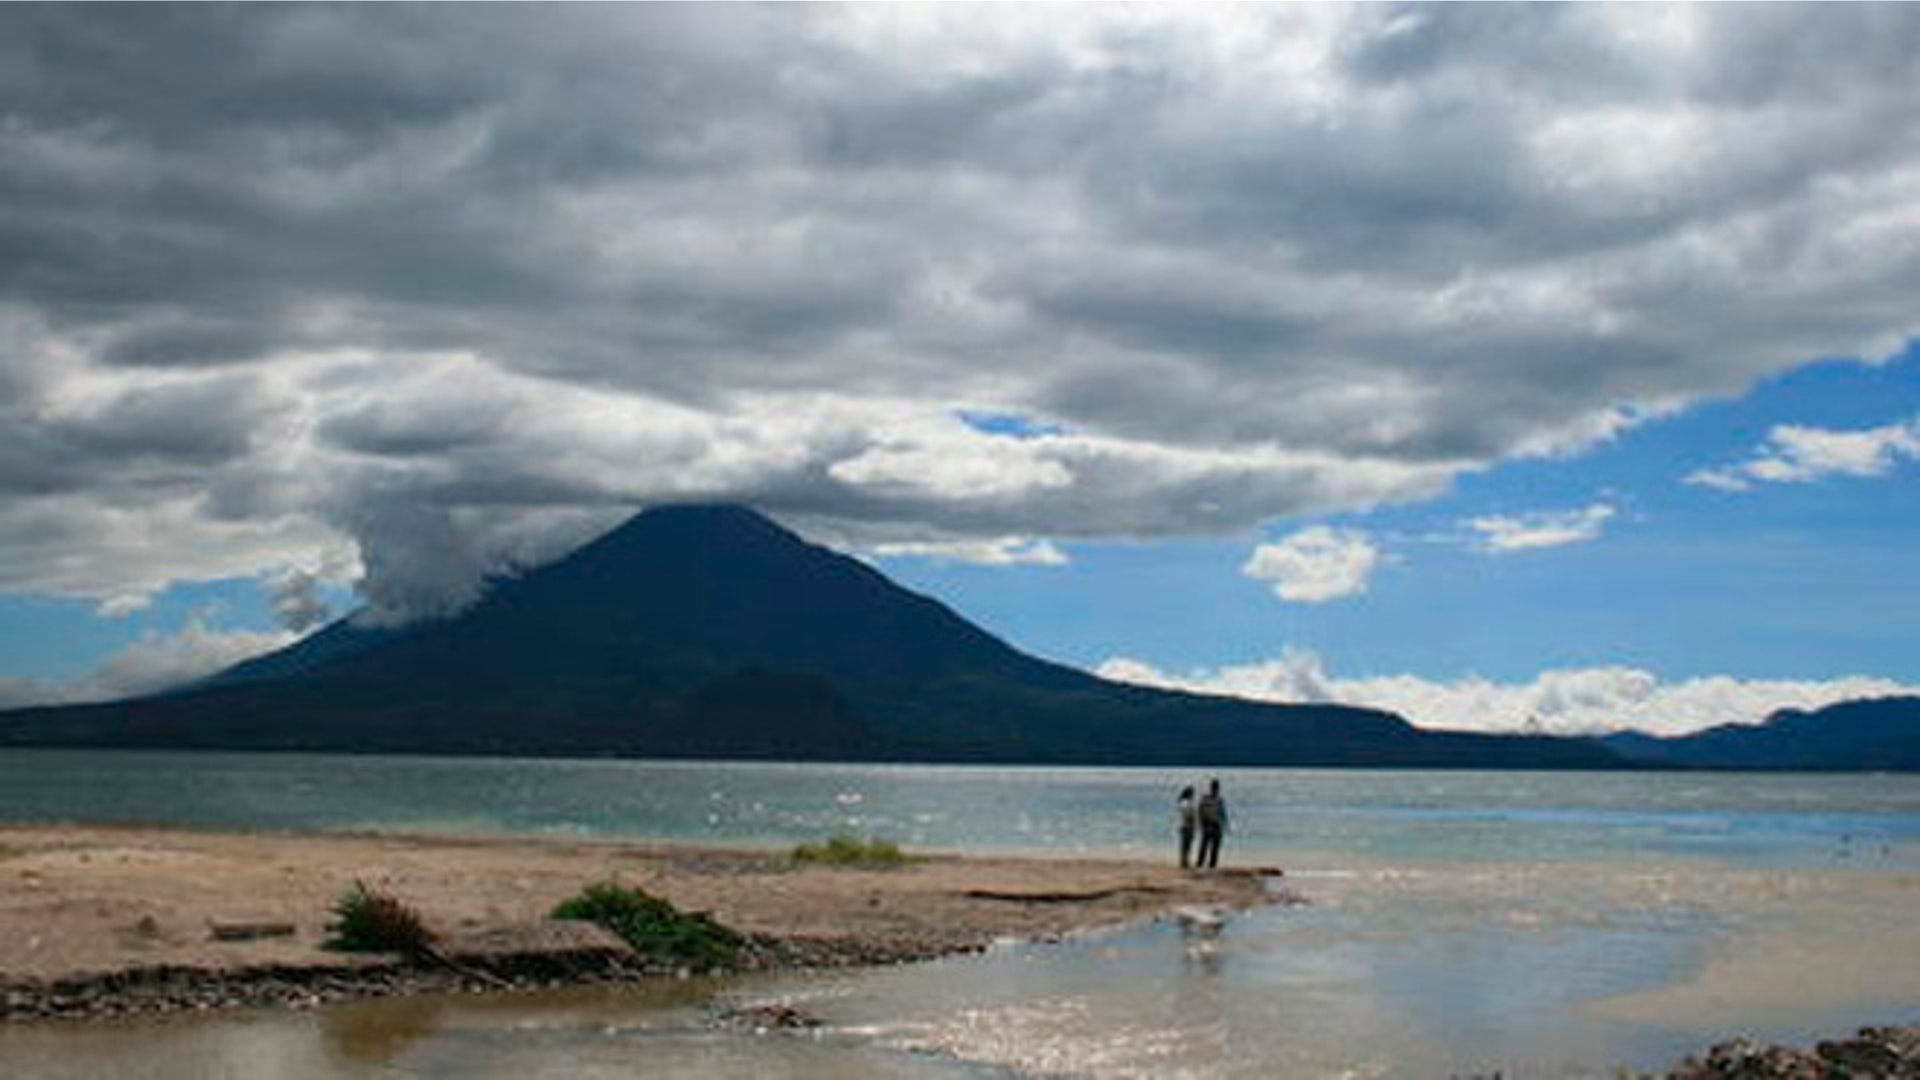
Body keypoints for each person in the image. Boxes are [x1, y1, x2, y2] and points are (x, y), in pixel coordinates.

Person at [1196, 778, 1227, 869]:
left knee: (1204, 846)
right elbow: (1223, 814)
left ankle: (1200, 864)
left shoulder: (1205, 799)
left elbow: (1199, 811)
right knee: (1214, 848)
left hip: (1207, 825)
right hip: (1215, 825)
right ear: (1217, 788)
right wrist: (1225, 825)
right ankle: (1211, 866)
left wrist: (1201, 823)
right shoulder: (1219, 800)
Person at [1175, 785, 1198, 868]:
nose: (1194, 795)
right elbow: (1190, 815)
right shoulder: (1188, 803)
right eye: (1192, 793)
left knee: (1184, 845)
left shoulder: (1182, 803)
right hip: (1188, 826)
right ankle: (1185, 862)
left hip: (1183, 825)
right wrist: (1194, 824)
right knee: (1187, 845)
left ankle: (1183, 861)